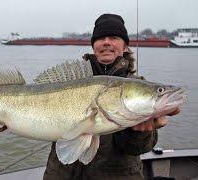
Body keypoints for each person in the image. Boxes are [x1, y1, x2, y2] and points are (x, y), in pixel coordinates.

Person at [43, 13, 180, 180]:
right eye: (100, 38)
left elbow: (139, 148)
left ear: (125, 46)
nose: (106, 42)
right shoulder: (73, 81)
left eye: (114, 37)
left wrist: (139, 133)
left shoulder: (138, 83)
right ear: (94, 45)